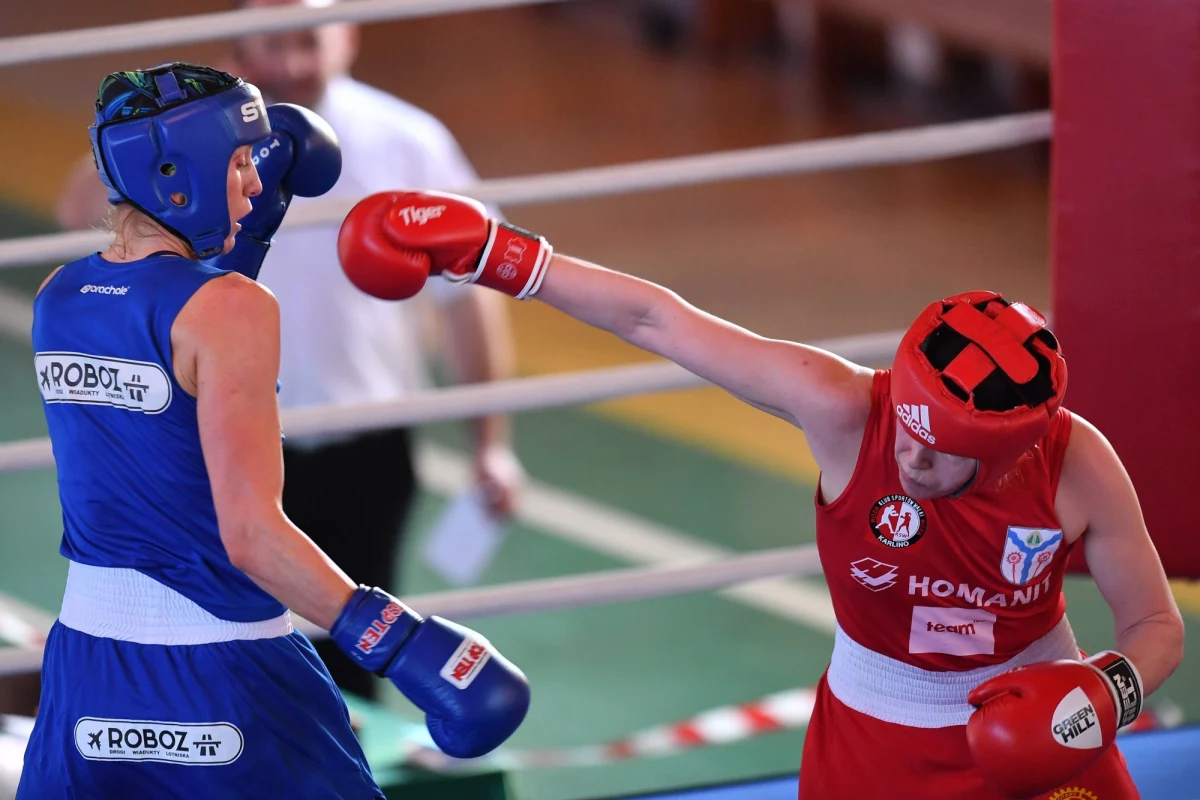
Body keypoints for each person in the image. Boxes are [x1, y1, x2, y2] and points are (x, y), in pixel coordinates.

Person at [335, 189, 1186, 799]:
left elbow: (1156, 628)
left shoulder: (1078, 466)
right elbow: (660, 320)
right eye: (912, 431)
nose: (914, 458)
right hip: (877, 736)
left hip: (1041, 714)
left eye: (941, 453)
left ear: (1005, 457)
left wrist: (1101, 694)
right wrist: (501, 255)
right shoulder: (846, 409)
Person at [19, 65, 528, 799]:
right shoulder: (234, 310)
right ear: (175, 172)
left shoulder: (58, 298)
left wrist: (239, 248)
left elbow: (162, 368)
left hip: (89, 674)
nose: (255, 186)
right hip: (222, 668)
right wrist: (404, 646)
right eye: (236, 165)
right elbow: (250, 536)